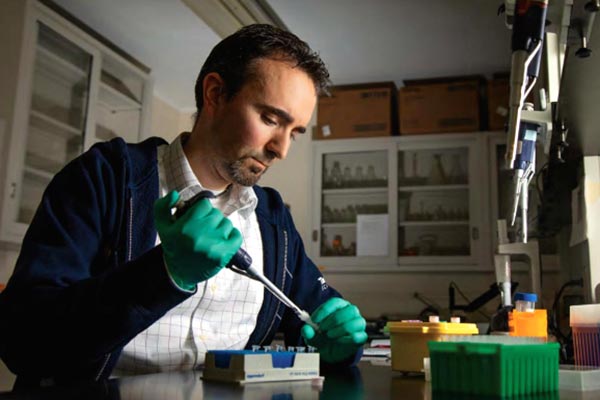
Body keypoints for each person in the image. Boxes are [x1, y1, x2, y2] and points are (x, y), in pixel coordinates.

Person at [0, 24, 367, 388]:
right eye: (271, 119)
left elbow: (317, 321)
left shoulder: (272, 218)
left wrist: (340, 344)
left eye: (295, 132)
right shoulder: (105, 178)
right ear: (215, 93)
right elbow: (23, 342)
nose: (281, 149)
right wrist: (164, 274)